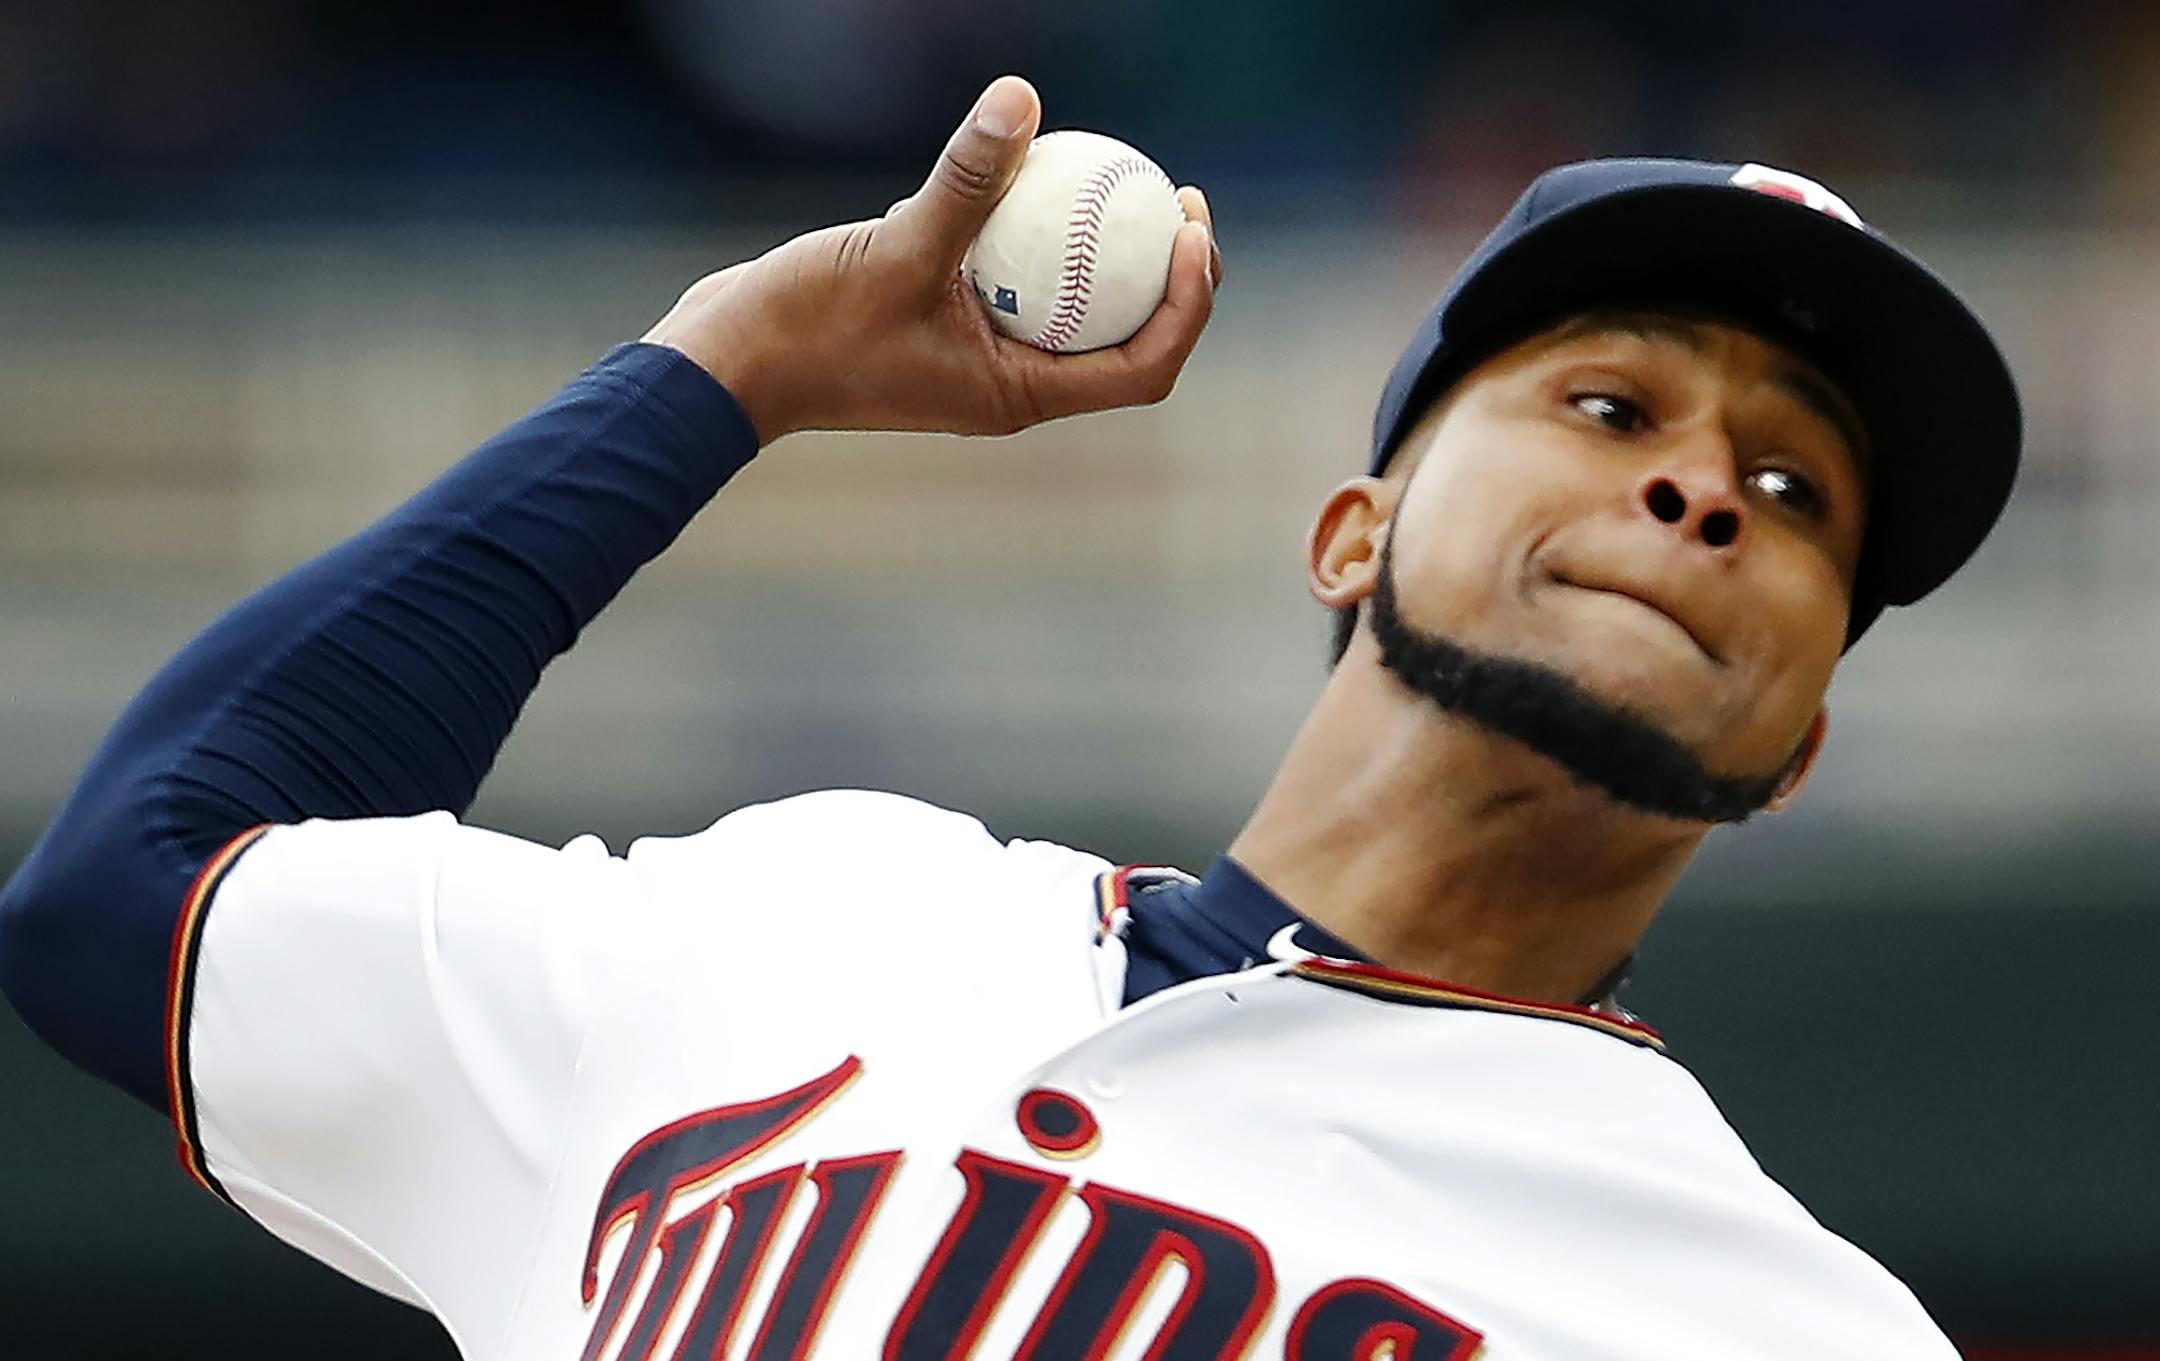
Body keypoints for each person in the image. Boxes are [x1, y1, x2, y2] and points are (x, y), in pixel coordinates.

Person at [0, 75, 2017, 1359]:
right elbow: (128, 901)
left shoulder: (1770, 1322)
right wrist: (727, 372)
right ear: (1351, 533)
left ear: (1798, 741)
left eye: (1795, 498)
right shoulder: (807, 915)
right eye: (1613, 406)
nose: (1700, 491)